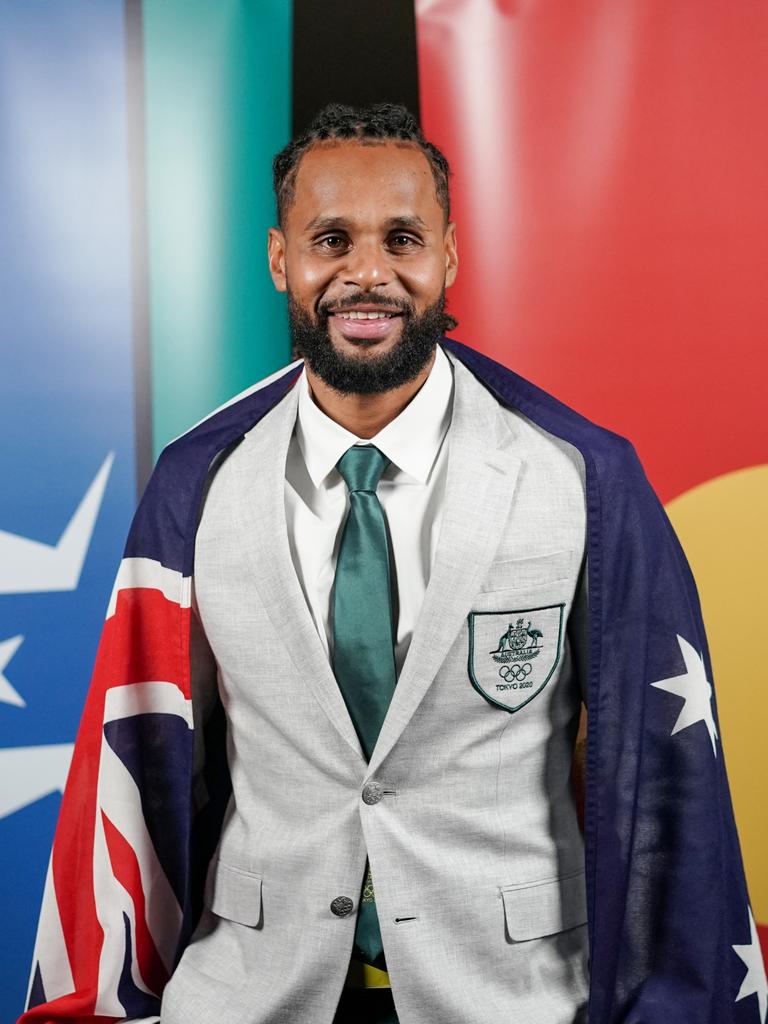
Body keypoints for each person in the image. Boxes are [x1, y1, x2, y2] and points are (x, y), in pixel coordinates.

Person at [21, 104, 760, 1024]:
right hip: (253, 992)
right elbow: (151, 764)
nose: (367, 272)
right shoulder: (195, 486)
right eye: (332, 239)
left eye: (401, 238)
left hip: (512, 998)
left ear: (448, 256)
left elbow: (664, 781)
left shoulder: (581, 478)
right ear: (280, 259)